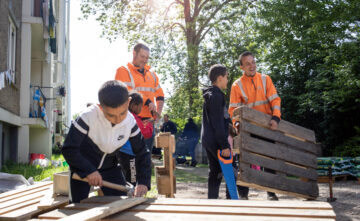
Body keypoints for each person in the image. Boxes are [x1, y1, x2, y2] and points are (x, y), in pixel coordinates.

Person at [62, 80, 151, 203]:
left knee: (122, 204)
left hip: (110, 167)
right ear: (100, 106)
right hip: (82, 166)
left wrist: (143, 182)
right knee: (78, 206)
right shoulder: (87, 116)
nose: (118, 120)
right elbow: (69, 149)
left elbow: (142, 152)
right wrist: (88, 170)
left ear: (128, 102)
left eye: (122, 113)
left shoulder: (130, 122)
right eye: (111, 115)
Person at [228, 51, 281, 201]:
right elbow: (233, 110)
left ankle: (271, 192)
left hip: (267, 127)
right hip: (248, 129)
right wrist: (238, 128)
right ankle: (243, 195)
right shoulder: (236, 85)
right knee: (245, 161)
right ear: (241, 67)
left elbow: (275, 100)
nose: (252, 66)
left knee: (269, 160)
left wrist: (276, 118)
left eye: (253, 62)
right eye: (247, 64)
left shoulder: (265, 79)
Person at [115, 43, 164, 154]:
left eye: (147, 57)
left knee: (145, 159)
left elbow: (160, 95)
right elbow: (125, 90)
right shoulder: (123, 71)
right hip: (130, 122)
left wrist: (157, 115)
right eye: (142, 56)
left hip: (148, 124)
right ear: (134, 53)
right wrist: (147, 100)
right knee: (129, 160)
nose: (145, 60)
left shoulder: (152, 74)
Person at [201, 64, 233, 199]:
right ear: (220, 78)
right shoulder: (216, 96)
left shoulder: (211, 94)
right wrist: (224, 145)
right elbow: (217, 123)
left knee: (215, 171)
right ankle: (231, 202)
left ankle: (212, 201)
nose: (227, 80)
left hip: (208, 140)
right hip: (216, 141)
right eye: (226, 77)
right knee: (229, 172)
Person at [118, 91, 153, 186]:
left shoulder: (122, 115)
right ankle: (131, 196)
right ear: (133, 105)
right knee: (132, 179)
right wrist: (150, 125)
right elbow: (145, 134)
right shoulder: (132, 118)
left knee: (123, 177)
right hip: (129, 153)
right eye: (141, 106)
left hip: (120, 151)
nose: (141, 109)